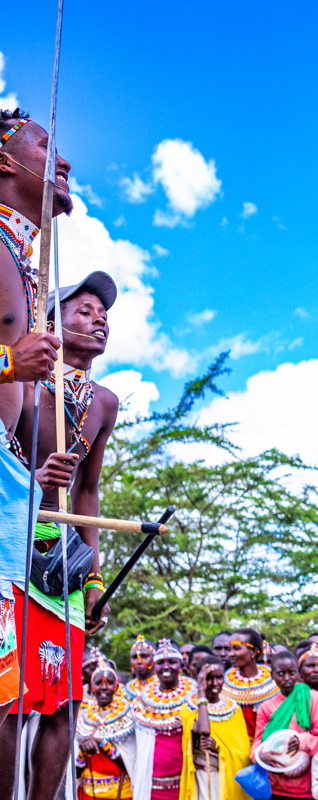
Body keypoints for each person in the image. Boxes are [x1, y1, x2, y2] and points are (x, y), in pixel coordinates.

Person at [4, 271, 119, 800]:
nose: (99, 320)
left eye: (104, 315)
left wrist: (94, 577)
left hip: (66, 553)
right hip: (11, 540)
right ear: (50, 321)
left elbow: (89, 492)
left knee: (64, 702)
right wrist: (31, 480)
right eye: (85, 310)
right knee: (8, 697)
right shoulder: (21, 378)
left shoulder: (103, 402)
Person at [0, 108, 71, 731]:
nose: (64, 160)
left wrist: (32, 472)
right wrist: (6, 361)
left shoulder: (19, 259)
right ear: (4, 161)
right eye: (45, 146)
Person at [251, 649, 318, 800]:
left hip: (309, 785)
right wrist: (259, 756)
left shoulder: (313, 698)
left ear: (298, 674)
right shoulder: (266, 707)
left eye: (291, 672)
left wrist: (302, 741)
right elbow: (258, 742)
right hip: (276, 786)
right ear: (272, 676)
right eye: (280, 673)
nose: (287, 678)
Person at [132, 639, 198, 800]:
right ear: (154, 667)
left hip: (187, 781)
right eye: (160, 662)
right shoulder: (141, 700)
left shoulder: (195, 695)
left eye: (172, 662)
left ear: (181, 665)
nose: (166, 666)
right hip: (151, 784)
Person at [180, 656, 251, 800]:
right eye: (208, 678)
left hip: (226, 777)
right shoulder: (189, 708)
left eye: (219, 677)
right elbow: (204, 730)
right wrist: (201, 690)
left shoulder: (233, 709)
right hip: (200, 777)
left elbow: (241, 752)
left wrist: (218, 747)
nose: (214, 683)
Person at [76, 656, 137, 800]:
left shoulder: (129, 716)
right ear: (91, 686)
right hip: (88, 794)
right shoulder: (82, 717)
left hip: (121, 794)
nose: (104, 687)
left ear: (116, 686)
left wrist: (102, 743)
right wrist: (83, 751)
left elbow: (131, 763)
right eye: (99, 682)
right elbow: (76, 772)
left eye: (109, 682)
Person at [223, 628, 279, 738]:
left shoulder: (276, 679)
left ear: (253, 652)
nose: (230, 654)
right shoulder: (223, 682)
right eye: (229, 649)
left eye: (236, 648)